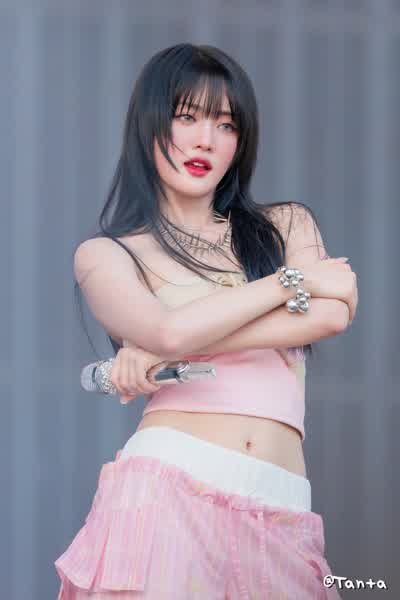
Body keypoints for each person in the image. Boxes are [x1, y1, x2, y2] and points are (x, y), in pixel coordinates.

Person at [54, 43, 357, 599]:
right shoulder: (107, 254)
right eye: (187, 117)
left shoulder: (285, 224)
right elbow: (167, 332)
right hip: (168, 489)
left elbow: (331, 313)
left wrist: (181, 345)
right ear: (149, 124)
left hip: (282, 506)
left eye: (226, 124)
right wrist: (288, 284)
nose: (206, 141)